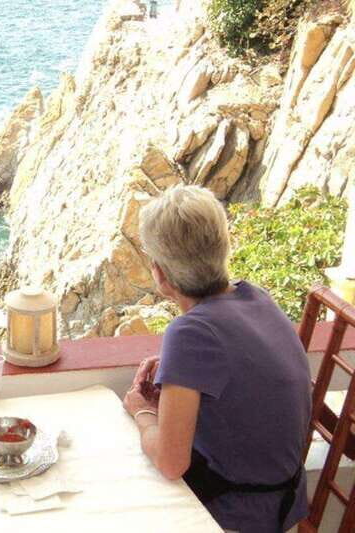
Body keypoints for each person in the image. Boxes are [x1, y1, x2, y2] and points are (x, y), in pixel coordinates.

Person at [123, 185, 311, 532]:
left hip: (239, 518)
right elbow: (237, 363)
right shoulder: (257, 297)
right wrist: (175, 367)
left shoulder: (189, 333)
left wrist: (142, 411)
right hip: (283, 505)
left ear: (160, 274)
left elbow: (170, 462)